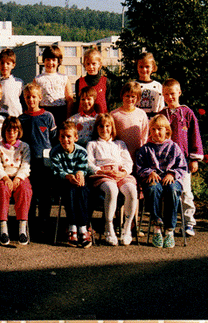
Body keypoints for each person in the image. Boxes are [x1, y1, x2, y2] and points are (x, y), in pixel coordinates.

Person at [135, 114, 187, 249]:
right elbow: (139, 167)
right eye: (153, 129)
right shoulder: (145, 148)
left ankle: (169, 230)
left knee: (173, 190)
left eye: (160, 129)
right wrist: (149, 172)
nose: (156, 132)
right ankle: (157, 227)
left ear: (167, 130)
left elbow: (182, 166)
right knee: (152, 189)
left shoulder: (174, 147)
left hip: (171, 178)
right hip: (153, 179)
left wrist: (172, 173)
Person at [87, 113, 138, 246]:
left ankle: (127, 228)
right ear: (97, 128)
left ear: (112, 128)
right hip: (103, 174)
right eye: (101, 126)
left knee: (131, 190)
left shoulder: (120, 144)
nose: (104, 129)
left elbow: (128, 162)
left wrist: (123, 172)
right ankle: (109, 227)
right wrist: (102, 171)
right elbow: (89, 164)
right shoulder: (93, 144)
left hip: (119, 172)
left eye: (107, 126)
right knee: (112, 189)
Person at [161, 78, 204, 236]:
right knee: (169, 192)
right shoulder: (162, 114)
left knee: (186, 192)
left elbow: (194, 136)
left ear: (179, 93)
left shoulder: (187, 113)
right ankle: (167, 223)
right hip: (165, 161)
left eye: (172, 93)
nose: (170, 97)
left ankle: (188, 223)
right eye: (166, 94)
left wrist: (194, 159)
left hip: (183, 161)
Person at [19, 82, 57, 231]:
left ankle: (44, 221)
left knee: (45, 193)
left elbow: (53, 138)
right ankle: (29, 223)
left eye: (34, 97)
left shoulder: (48, 116)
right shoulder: (21, 118)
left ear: (40, 97)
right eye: (28, 97)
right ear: (24, 98)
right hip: (28, 161)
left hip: (44, 162)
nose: (31, 100)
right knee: (30, 193)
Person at [50, 120, 92, 248]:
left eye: (68, 136)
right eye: (62, 136)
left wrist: (79, 173)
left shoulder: (82, 152)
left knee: (83, 191)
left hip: (78, 183)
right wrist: (67, 176)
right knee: (70, 190)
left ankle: (82, 228)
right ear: (59, 138)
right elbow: (57, 171)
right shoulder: (55, 152)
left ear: (75, 138)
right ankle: (72, 227)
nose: (65, 140)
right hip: (61, 183)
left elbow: (83, 168)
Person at [0, 116, 32, 247]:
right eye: (9, 130)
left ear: (19, 131)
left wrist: (18, 178)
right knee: (2, 191)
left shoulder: (24, 146)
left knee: (25, 190)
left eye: (15, 130)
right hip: (4, 176)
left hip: (19, 176)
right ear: (4, 131)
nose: (11, 133)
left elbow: (25, 166)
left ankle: (22, 229)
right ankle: (3, 229)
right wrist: (6, 178)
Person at [34, 45, 73, 128]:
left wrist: (68, 117)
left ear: (58, 62)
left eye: (53, 60)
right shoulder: (37, 79)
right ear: (43, 61)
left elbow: (70, 100)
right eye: (48, 59)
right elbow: (34, 99)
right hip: (44, 113)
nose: (50, 63)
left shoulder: (64, 78)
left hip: (60, 113)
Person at [111, 81, 149, 166]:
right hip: (120, 156)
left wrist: (143, 151)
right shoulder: (114, 114)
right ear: (122, 96)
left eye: (133, 97)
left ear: (138, 98)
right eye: (127, 96)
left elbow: (145, 135)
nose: (130, 99)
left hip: (137, 155)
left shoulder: (141, 114)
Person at [75, 47, 111, 114]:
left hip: (101, 118)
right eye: (88, 64)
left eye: (93, 64)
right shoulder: (79, 82)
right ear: (84, 65)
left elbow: (108, 103)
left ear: (99, 64)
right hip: (83, 118)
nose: (91, 67)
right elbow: (77, 103)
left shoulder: (105, 81)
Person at [0, 48, 24, 117]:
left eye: (8, 63)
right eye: (2, 63)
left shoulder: (19, 83)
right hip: (0, 117)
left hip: (16, 116)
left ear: (13, 65)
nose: (4, 66)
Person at [135, 52, 165, 117]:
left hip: (154, 120)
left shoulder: (158, 86)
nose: (144, 69)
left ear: (153, 67)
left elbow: (161, 106)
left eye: (147, 67)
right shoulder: (133, 85)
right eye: (141, 67)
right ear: (137, 67)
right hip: (136, 119)